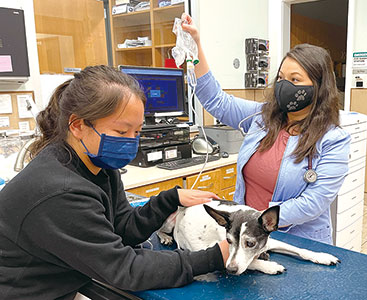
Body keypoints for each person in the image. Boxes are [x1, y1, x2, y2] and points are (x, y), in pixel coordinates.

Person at [0, 65, 229, 300]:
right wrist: (214, 257)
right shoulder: (62, 191)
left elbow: (122, 228)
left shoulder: (99, 165)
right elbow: (125, 269)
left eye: (137, 132)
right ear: (77, 125)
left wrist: (169, 200)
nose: (131, 142)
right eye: (121, 132)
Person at [181, 14, 351, 245]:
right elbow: (215, 101)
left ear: (318, 88)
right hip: (246, 238)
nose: (284, 85)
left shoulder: (333, 139)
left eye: (295, 79)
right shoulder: (261, 117)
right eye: (281, 77)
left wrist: (261, 220)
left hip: (297, 241)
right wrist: (196, 45)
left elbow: (314, 202)